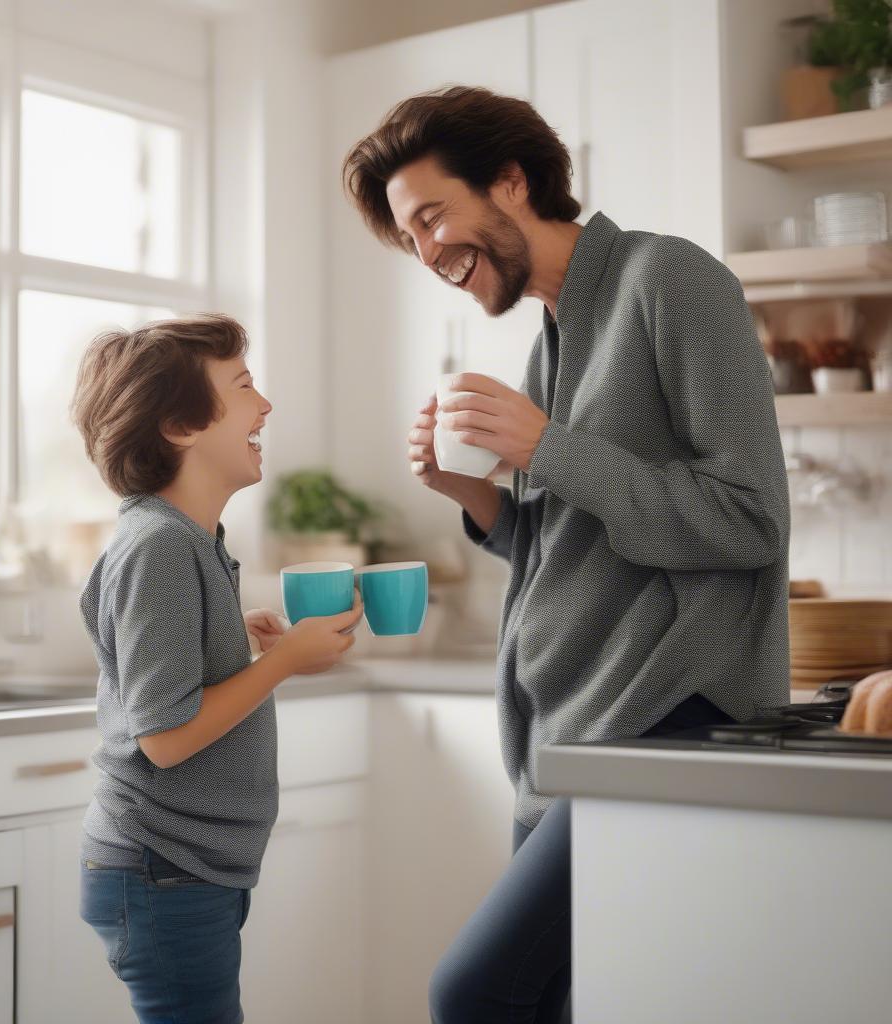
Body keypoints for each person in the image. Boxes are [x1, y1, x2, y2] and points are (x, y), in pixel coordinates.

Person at [342, 86, 789, 1023]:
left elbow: (747, 521)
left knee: (475, 990)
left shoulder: (671, 281)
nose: (426, 254)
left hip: (660, 722)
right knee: (562, 1003)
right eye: (409, 238)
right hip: (565, 737)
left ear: (510, 183)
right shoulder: (557, 335)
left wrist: (547, 448)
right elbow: (576, 546)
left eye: (432, 218)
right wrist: (478, 498)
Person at [71, 313, 363, 1024]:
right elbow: (165, 737)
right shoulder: (162, 548)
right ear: (180, 425)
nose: (264, 406)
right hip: (162, 869)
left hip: (179, 869)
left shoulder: (189, 541)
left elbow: (168, 684)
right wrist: (286, 661)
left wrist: (234, 644)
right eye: (243, 385)